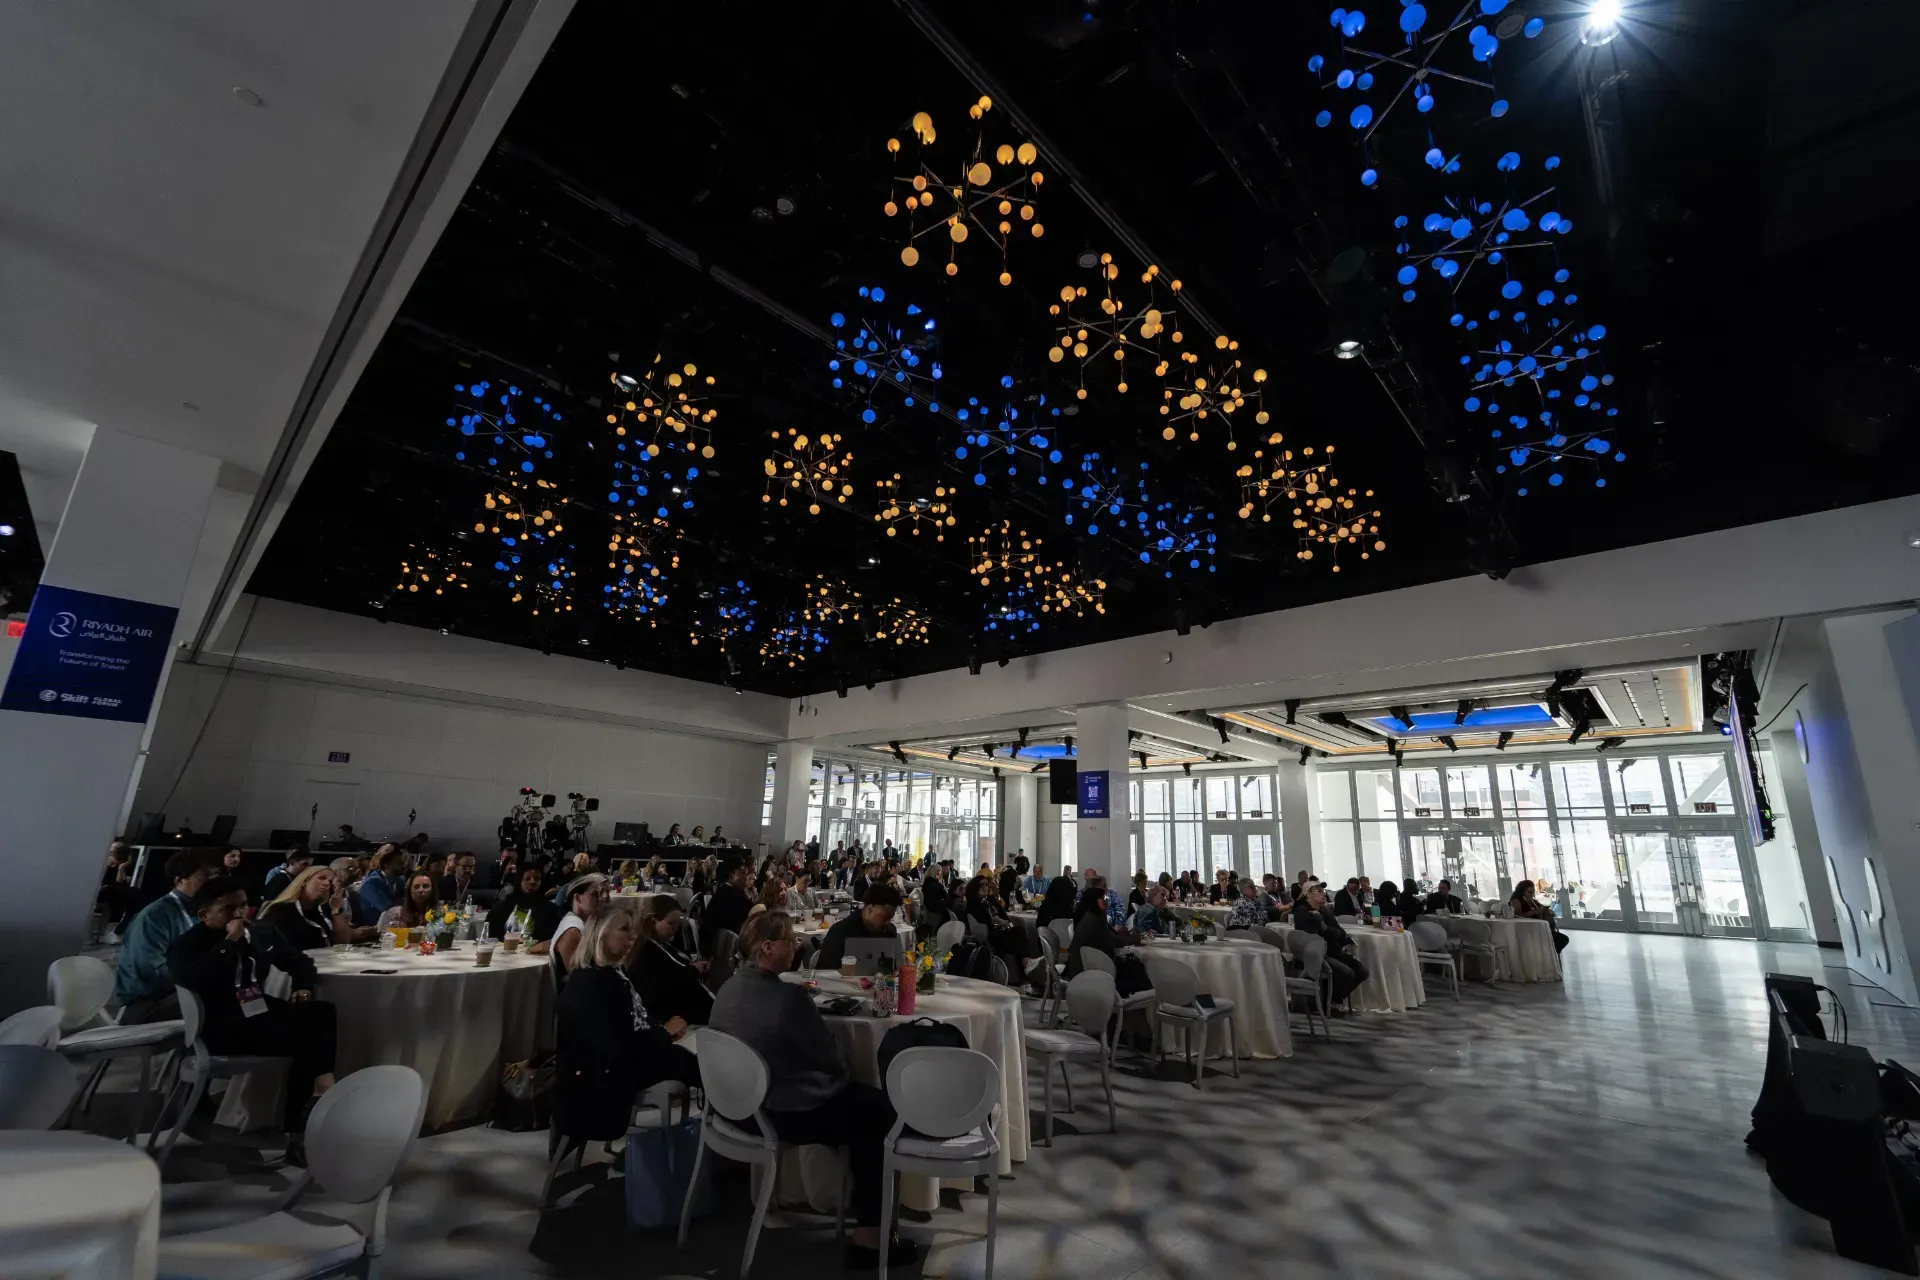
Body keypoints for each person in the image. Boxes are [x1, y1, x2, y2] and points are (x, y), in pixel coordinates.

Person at [709, 911, 918, 1268]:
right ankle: (871, 1235)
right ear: (769, 947)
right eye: (790, 938)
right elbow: (832, 1061)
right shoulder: (788, 1000)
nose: (797, 944)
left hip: (732, 1107)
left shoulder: (728, 987)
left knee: (865, 1108)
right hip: (782, 1113)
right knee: (877, 1112)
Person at [168, 877, 337, 1150]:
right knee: (306, 1039)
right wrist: (228, 942)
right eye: (229, 909)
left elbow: (299, 960)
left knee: (320, 1013)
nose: (239, 914)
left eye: (244, 906)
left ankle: (320, 1090)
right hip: (220, 1024)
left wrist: (303, 987)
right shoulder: (187, 944)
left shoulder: (259, 933)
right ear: (204, 915)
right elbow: (193, 980)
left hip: (255, 1008)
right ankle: (299, 1125)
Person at [554, 901, 701, 1151]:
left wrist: (661, 1031)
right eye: (624, 929)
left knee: (696, 1058)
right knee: (701, 1064)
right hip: (601, 1090)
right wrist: (663, 1033)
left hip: (603, 1074)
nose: (633, 936)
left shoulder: (600, 974)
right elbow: (618, 1047)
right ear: (601, 935)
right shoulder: (596, 984)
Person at [113, 848, 219, 1022]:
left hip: (178, 991)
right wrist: (202, 978)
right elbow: (153, 969)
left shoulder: (200, 911)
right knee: (217, 999)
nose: (214, 882)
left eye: (216, 875)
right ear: (179, 881)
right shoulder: (155, 916)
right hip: (147, 1002)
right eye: (206, 875)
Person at [629, 896, 713, 1024]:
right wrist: (694, 970)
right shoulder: (645, 953)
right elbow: (667, 984)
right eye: (671, 924)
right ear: (653, 922)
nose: (676, 929)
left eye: (677, 925)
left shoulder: (660, 943)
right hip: (669, 1015)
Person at [1291, 882, 1371, 1007]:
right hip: (1316, 955)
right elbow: (1310, 933)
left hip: (1334, 950)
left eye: (1324, 890)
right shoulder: (1301, 911)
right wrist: (1322, 925)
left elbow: (1341, 933)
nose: (1324, 893)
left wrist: (1325, 927)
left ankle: (1333, 999)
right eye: (1318, 890)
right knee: (1346, 973)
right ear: (1308, 894)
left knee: (1362, 971)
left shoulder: (1324, 911)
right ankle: (1326, 1002)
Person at [262, 865, 370, 949]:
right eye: (321, 878)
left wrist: (336, 909)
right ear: (304, 881)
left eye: (330, 881)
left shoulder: (323, 909)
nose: (326, 883)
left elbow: (343, 942)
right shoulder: (279, 909)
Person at [818, 881, 904, 969]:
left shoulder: (889, 932)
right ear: (870, 909)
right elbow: (825, 974)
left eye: (890, 919)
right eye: (886, 917)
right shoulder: (841, 932)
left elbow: (893, 970)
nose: (887, 923)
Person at [1066, 880, 1131, 978]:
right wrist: (1139, 939)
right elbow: (1112, 941)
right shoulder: (1093, 920)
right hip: (1086, 969)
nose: (1106, 901)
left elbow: (1110, 933)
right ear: (1094, 900)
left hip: (1085, 964)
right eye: (1103, 898)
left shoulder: (1092, 915)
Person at [487, 864, 560, 951]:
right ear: (519, 881)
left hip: (535, 956)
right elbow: (490, 935)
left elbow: (553, 939)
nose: (532, 882)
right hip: (503, 953)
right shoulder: (502, 906)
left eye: (537, 879)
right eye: (527, 879)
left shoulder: (550, 910)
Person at [551, 874, 609, 971]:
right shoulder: (572, 930)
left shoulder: (578, 922)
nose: (601, 898)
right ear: (577, 898)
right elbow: (578, 976)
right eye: (595, 894)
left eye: (601, 894)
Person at [701, 860, 754, 958]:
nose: (745, 878)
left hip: (719, 944)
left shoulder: (724, 890)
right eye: (742, 874)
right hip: (721, 949)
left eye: (747, 875)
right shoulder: (732, 895)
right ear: (731, 876)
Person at [1510, 880, 1570, 951]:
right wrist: (1534, 911)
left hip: (1539, 929)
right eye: (1529, 892)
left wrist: (1547, 911)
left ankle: (1547, 953)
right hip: (1528, 932)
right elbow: (1517, 917)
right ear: (1522, 891)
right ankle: (1546, 953)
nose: (1532, 894)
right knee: (1561, 940)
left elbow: (1542, 908)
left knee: (1563, 939)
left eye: (1533, 892)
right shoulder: (1516, 901)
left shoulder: (1532, 901)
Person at [97, 842, 143, 937]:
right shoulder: (103, 859)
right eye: (112, 850)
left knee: (133, 893)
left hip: (114, 892)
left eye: (115, 850)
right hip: (101, 890)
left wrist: (121, 867)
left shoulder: (120, 863)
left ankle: (122, 926)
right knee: (120, 895)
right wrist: (107, 864)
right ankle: (111, 931)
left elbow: (121, 882)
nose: (112, 853)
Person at [355, 845, 404, 923]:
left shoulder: (401, 879)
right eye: (400, 864)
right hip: (372, 926)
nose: (403, 866)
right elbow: (387, 909)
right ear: (387, 865)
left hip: (393, 924)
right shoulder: (373, 882)